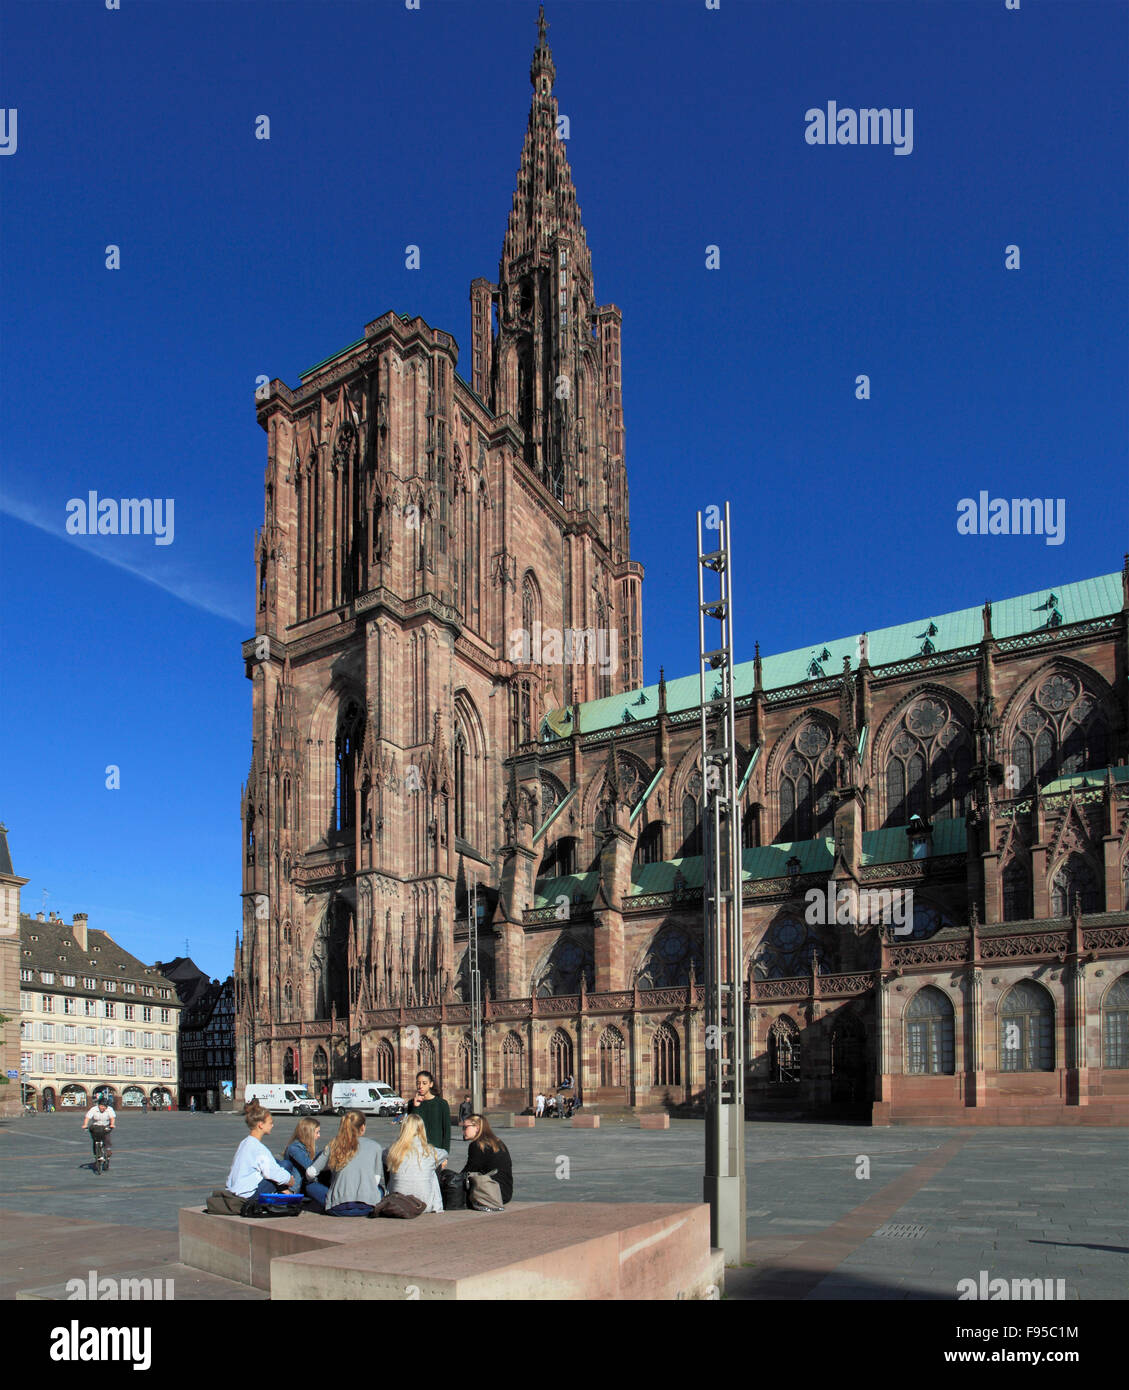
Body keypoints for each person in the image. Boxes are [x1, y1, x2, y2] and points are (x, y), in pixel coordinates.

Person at [306, 1109, 385, 1213]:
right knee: (380, 1189)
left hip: (338, 1207)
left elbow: (310, 1173)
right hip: (368, 1206)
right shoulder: (375, 1146)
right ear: (363, 1127)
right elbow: (375, 1180)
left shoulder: (334, 1145)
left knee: (310, 1186)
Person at [225, 1101, 296, 1200]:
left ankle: (284, 1191)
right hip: (248, 1194)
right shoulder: (258, 1148)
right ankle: (286, 1192)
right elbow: (272, 1173)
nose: (272, 1125)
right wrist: (289, 1180)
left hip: (234, 1190)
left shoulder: (245, 1142)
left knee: (278, 1163)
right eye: (270, 1123)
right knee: (286, 1165)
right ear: (260, 1125)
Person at [385, 1113, 447, 1213]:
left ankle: (391, 1194)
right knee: (433, 1169)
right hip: (423, 1205)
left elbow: (383, 1155)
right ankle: (437, 1205)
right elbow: (444, 1153)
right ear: (422, 1129)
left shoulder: (392, 1150)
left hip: (397, 1203)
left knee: (391, 1164)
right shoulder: (430, 1152)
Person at [460, 1113, 513, 1207]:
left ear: (476, 1127)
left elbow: (470, 1170)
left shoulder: (477, 1145)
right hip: (504, 1192)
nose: (463, 1131)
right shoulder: (497, 1142)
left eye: (465, 1127)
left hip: (490, 1193)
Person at [280, 1116, 331, 1211]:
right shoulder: (295, 1148)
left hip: (306, 1182)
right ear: (309, 1133)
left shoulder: (309, 1148)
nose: (319, 1135)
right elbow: (311, 1167)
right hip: (296, 1188)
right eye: (317, 1132)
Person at [405, 1070, 451, 1152]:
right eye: (418, 1083)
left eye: (424, 1083)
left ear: (431, 1084)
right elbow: (410, 1128)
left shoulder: (442, 1104)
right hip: (416, 1150)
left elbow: (447, 1131)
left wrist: (445, 1153)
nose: (420, 1086)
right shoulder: (412, 1103)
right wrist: (416, 1107)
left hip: (436, 1151)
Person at [82, 1098, 116, 1169]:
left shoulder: (109, 1109)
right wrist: (85, 1125)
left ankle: (108, 1153)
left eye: (105, 1106)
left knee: (107, 1139)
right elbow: (87, 1117)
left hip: (106, 1126)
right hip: (96, 1126)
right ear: (98, 1105)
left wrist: (112, 1124)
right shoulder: (93, 1109)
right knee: (95, 1140)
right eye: (101, 1106)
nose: (103, 1108)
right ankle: (96, 1155)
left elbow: (112, 1118)